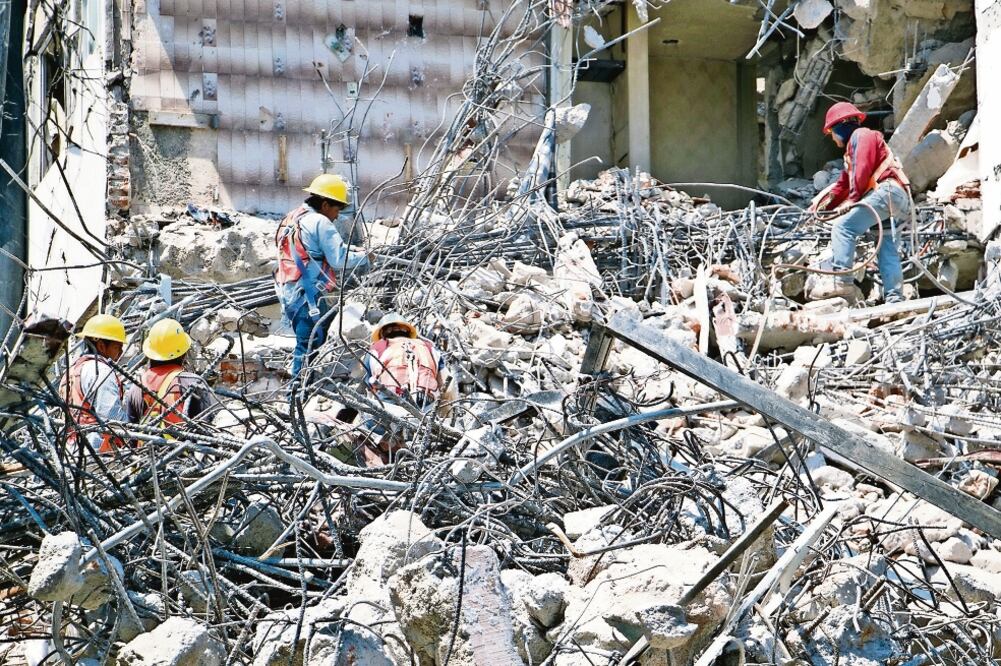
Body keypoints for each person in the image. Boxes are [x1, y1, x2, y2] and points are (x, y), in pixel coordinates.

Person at [809, 102, 912, 304]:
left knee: (843, 228)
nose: (831, 136)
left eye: (831, 130)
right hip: (896, 199)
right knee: (886, 246)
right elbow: (843, 184)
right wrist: (822, 207)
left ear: (841, 125)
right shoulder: (853, 150)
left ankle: (843, 283)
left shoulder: (861, 136)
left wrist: (852, 201)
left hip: (886, 193)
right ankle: (894, 298)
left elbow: (861, 172)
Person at [274, 174, 371, 384]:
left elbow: (311, 251)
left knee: (309, 343)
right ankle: (297, 396)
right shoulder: (320, 221)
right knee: (308, 348)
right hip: (308, 297)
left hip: (289, 294)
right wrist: (365, 256)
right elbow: (337, 259)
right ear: (325, 204)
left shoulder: (292, 217)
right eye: (336, 209)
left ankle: (305, 391)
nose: (336, 216)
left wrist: (352, 249)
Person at [126, 318, 217, 429]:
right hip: (182, 446)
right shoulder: (193, 383)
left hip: (146, 446)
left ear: (150, 353)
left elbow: (131, 435)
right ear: (183, 354)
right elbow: (204, 432)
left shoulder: (137, 386)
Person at [60, 314, 129, 453]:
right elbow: (113, 419)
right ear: (102, 346)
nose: (121, 352)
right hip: (97, 454)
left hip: (71, 450)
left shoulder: (72, 370)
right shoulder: (101, 371)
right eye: (118, 347)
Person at [364, 313, 445, 407]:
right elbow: (445, 383)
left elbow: (368, 381)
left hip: (390, 398)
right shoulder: (429, 347)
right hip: (425, 399)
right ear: (408, 331)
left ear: (382, 333)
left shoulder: (377, 348)